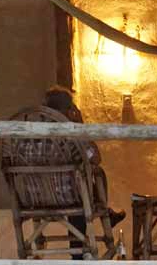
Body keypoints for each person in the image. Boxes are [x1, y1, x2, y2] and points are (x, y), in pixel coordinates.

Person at [43, 85, 126, 257]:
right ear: (68, 110)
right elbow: (95, 157)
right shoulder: (70, 137)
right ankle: (80, 252)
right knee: (90, 179)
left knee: (78, 188)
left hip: (37, 197)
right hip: (69, 197)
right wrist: (81, 128)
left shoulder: (28, 134)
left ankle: (79, 253)